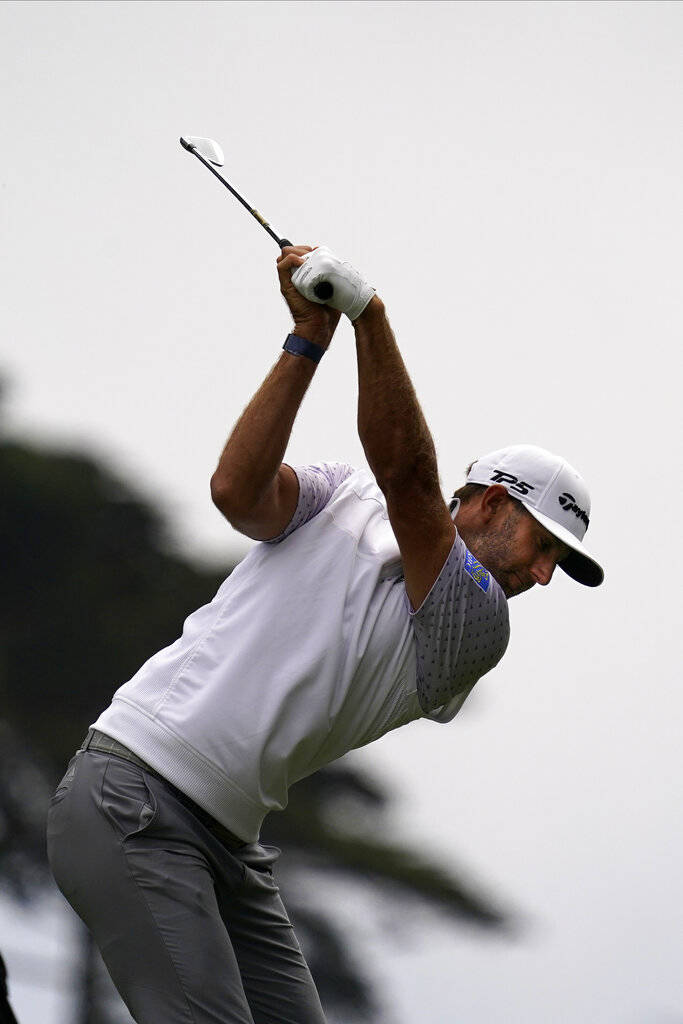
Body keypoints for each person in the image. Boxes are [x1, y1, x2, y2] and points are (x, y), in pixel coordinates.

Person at [47, 245, 604, 1024]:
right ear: (483, 502)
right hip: (133, 796)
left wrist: (368, 317)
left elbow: (408, 480)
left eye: (557, 562)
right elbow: (237, 491)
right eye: (541, 545)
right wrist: (308, 338)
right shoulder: (341, 491)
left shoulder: (477, 622)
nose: (543, 575)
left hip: (227, 845)